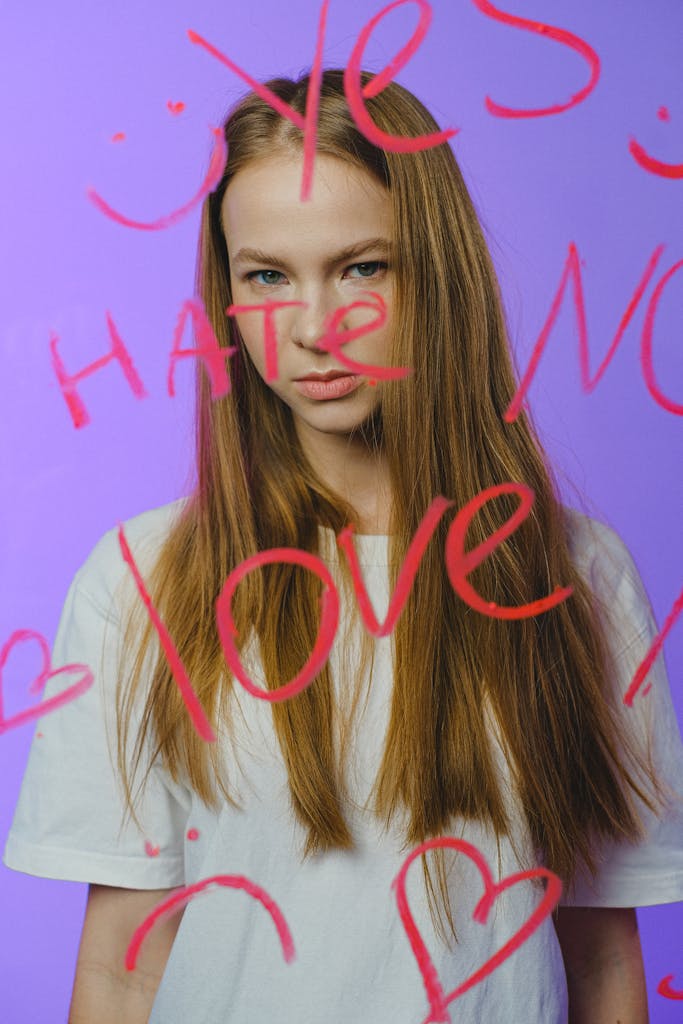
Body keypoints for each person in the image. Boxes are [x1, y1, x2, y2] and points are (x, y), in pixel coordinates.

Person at [4, 69, 683, 1024]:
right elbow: (123, 973)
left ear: (435, 274)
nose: (316, 329)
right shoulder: (142, 581)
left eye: (363, 268)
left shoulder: (578, 577)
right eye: (267, 277)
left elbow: (602, 963)